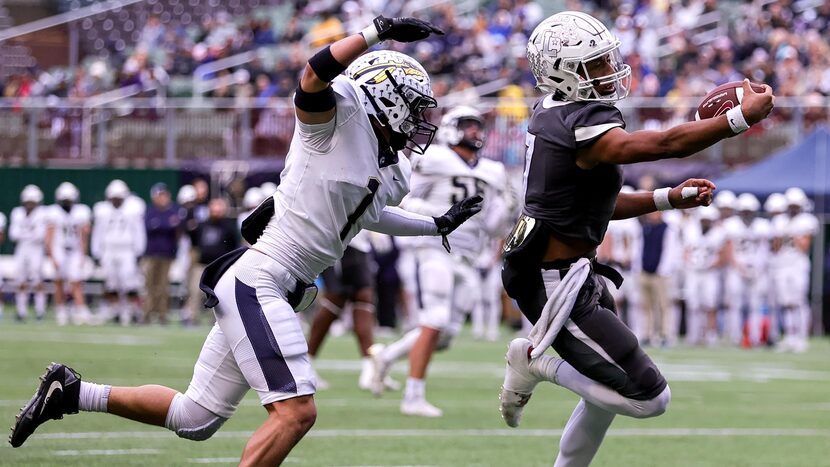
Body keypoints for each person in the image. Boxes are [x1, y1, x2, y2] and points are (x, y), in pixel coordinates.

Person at [9, 16, 478, 467]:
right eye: (415, 107)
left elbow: (371, 216)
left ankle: (71, 391)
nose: (421, 120)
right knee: (297, 413)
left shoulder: (394, 167)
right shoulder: (337, 121)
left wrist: (435, 225)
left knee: (195, 418)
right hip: (263, 278)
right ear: (385, 98)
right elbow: (313, 75)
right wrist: (377, 32)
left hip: (279, 284)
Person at [497, 11, 774, 467]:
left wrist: (667, 197)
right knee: (650, 398)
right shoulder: (580, 122)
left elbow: (596, 203)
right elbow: (665, 145)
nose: (610, 70)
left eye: (608, 60)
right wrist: (739, 120)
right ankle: (536, 362)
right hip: (552, 282)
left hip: (571, 273)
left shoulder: (557, 115)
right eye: (596, 64)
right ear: (563, 73)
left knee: (609, 386)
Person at [370, 105, 511, 416]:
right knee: (433, 318)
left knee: (445, 335)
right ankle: (413, 396)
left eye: (477, 126)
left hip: (469, 257)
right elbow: (403, 197)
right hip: (435, 247)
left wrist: (506, 210)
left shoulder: (493, 171)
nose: (475, 131)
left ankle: (387, 356)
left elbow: (492, 226)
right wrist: (434, 217)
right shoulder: (434, 158)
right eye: (468, 125)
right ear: (450, 128)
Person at [306, 230, 390, 392]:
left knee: (363, 296)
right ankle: (306, 364)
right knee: (336, 297)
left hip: (359, 242)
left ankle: (369, 367)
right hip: (338, 239)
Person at [771, 187, 818, 352]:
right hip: (782, 265)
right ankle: (790, 336)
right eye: (791, 205)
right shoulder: (779, 221)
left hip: (798, 265)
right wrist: (780, 235)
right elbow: (775, 248)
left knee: (799, 301)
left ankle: (802, 336)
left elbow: (804, 246)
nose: (792, 209)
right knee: (786, 302)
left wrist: (790, 232)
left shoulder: (806, 220)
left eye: (795, 205)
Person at [722, 193, 771, 347]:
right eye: (744, 211)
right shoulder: (731, 225)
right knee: (735, 304)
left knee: (756, 304)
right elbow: (729, 247)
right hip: (737, 268)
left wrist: (758, 267)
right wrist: (739, 266)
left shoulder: (763, 226)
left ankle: (755, 338)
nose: (747, 214)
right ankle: (736, 336)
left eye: (749, 211)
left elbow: (765, 249)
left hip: (758, 269)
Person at [45, 182, 93, 326]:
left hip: (74, 250)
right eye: (64, 201)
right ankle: (61, 311)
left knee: (76, 282)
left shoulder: (81, 211)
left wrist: (83, 254)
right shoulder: (53, 212)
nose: (67, 203)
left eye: (69, 201)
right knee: (58, 281)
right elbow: (49, 236)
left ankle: (80, 310)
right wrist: (52, 255)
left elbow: (84, 236)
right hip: (59, 249)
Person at [682, 205, 726, 345]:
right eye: (704, 220)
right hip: (693, 272)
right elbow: (685, 251)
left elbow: (723, 254)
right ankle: (693, 334)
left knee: (710, 303)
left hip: (710, 272)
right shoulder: (690, 230)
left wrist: (713, 264)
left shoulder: (719, 233)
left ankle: (711, 334)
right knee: (693, 304)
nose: (706, 223)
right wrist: (690, 262)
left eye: (708, 220)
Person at [9, 185, 49, 321]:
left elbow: (40, 235)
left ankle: (40, 310)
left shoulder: (42, 213)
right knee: (20, 280)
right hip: (22, 249)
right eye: (28, 202)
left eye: (32, 202)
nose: (30, 205)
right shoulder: (17, 213)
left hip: (36, 249)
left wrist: (25, 234)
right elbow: (13, 234)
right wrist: (28, 234)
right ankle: (21, 311)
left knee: (37, 279)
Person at [143, 183, 181, 324]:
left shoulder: (172, 211)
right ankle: (147, 313)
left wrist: (160, 225)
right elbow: (150, 227)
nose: (162, 198)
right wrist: (165, 225)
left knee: (163, 286)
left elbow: (175, 227)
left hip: (166, 254)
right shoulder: (150, 211)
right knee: (149, 285)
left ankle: (162, 314)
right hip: (151, 254)